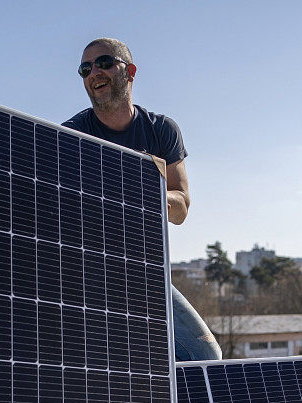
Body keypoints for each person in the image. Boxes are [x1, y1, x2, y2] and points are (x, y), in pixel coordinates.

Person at [63, 38, 221, 362]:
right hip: (86, 275)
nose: (94, 72)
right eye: (85, 68)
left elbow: (181, 208)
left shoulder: (162, 130)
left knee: (203, 355)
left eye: (104, 62)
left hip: (146, 274)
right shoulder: (70, 136)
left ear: (130, 71)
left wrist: (142, 190)